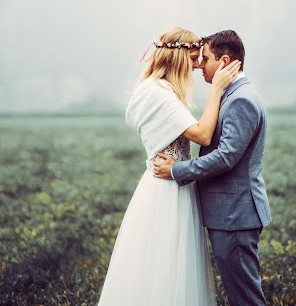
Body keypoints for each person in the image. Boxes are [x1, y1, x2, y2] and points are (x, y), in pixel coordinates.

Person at [97, 27, 241, 306]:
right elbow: (202, 135)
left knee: (175, 261)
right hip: (166, 188)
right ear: (178, 57)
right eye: (194, 58)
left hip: (177, 182)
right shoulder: (158, 93)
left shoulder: (159, 90)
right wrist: (218, 90)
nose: (197, 65)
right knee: (164, 262)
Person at [154, 30, 271, 306]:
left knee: (245, 298)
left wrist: (177, 170)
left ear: (224, 61)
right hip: (231, 215)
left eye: (204, 59)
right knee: (240, 293)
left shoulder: (241, 100)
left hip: (235, 216)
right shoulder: (233, 96)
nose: (198, 66)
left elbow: (226, 157)